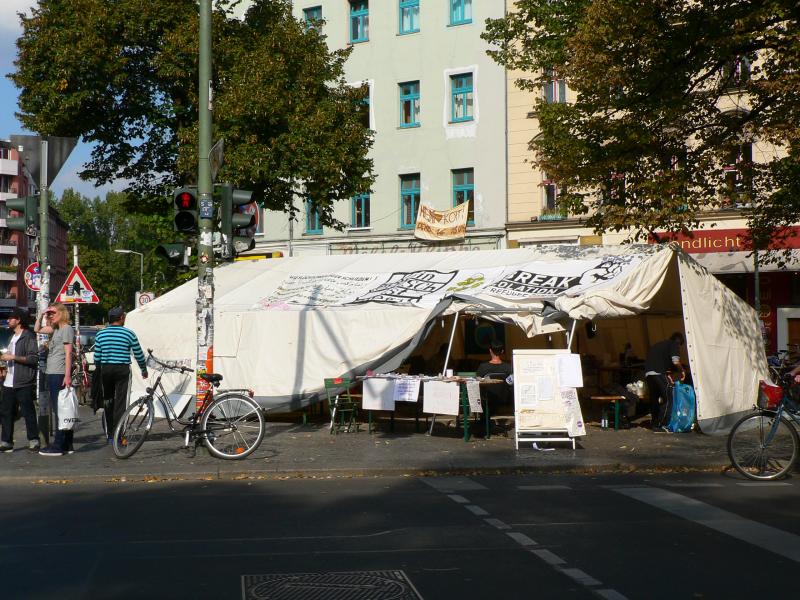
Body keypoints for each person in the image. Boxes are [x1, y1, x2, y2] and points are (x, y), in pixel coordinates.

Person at [94, 306, 148, 442]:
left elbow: (97, 358)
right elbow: (139, 354)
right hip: (122, 370)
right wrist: (143, 369)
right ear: (121, 318)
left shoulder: (101, 334)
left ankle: (110, 435)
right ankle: (119, 435)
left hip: (106, 369)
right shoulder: (129, 334)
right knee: (121, 402)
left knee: (108, 400)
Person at [34, 302, 75, 456]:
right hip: (53, 372)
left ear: (62, 313)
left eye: (53, 313)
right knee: (62, 410)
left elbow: (68, 353)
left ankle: (58, 445)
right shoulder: (56, 329)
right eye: (49, 314)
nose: (50, 316)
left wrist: (67, 375)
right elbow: (37, 329)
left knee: (60, 411)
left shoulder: (66, 329)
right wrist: (41, 314)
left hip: (59, 373)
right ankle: (67, 444)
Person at [0, 308, 40, 452]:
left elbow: (33, 358)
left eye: (11, 318)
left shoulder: (28, 336)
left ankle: (34, 440)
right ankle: (6, 441)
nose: (8, 320)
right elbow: (10, 357)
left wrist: (13, 357)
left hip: (23, 381)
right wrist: (5, 365)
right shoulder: (12, 337)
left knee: (28, 411)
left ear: (18, 320)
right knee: (6, 412)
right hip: (8, 381)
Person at [644, 332, 685, 431]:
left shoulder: (659, 345)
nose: (678, 347)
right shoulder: (673, 344)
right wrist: (682, 370)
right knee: (668, 397)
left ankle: (654, 424)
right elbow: (675, 361)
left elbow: (661, 362)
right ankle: (662, 423)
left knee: (654, 399)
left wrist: (667, 375)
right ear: (678, 341)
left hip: (648, 374)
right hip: (658, 373)